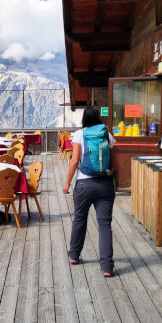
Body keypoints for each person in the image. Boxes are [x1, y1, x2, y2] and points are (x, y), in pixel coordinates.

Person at [62, 107, 116, 277]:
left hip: (84, 184)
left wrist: (67, 183)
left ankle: (74, 255)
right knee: (105, 225)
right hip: (105, 184)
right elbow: (114, 162)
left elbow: (75, 160)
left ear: (84, 118)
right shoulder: (107, 135)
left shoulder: (79, 134)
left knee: (79, 218)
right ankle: (107, 267)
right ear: (98, 118)